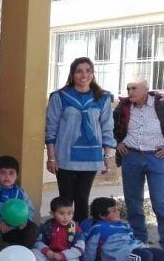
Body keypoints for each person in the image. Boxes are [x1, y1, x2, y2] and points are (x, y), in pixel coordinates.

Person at [113, 79, 164, 258]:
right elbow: (109, 128)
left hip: (156, 157)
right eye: (128, 88)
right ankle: (139, 240)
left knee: (160, 201)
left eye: (134, 88)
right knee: (133, 201)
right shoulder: (123, 108)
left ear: (146, 89)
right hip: (131, 156)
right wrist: (117, 143)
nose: (130, 92)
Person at [45, 57, 116, 224]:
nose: (84, 75)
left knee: (83, 199)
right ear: (72, 74)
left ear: (92, 73)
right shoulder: (60, 96)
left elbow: (107, 128)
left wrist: (107, 156)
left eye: (88, 70)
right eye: (79, 71)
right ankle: (62, 236)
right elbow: (51, 128)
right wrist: (51, 157)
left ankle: (81, 238)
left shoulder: (103, 98)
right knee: (66, 200)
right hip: (65, 157)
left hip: (91, 156)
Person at [32, 197, 92, 261]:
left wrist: (63, 255)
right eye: (61, 213)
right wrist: (47, 251)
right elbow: (38, 242)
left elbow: (79, 248)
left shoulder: (75, 228)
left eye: (69, 213)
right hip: (50, 257)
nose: (66, 217)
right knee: (34, 253)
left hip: (68, 259)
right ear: (52, 214)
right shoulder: (47, 226)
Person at [0, 156, 38, 252]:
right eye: (2, 173)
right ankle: (0, 252)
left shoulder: (20, 193)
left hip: (14, 228)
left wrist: (24, 220)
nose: (7, 176)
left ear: (17, 175)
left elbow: (29, 209)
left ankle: (21, 251)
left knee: (33, 228)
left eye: (11, 173)